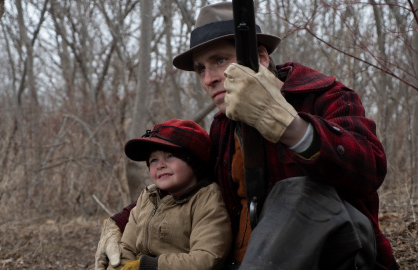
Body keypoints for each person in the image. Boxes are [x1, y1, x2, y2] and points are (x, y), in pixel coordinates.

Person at [96, 2, 398, 270]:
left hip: (336, 258)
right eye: (201, 69)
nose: (208, 78)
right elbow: (185, 180)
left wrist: (291, 127)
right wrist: (116, 224)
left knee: (297, 194)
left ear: (261, 57)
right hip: (243, 261)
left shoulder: (325, 96)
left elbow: (370, 169)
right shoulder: (222, 126)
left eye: (219, 61)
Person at [101, 119, 232, 270]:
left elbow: (207, 258)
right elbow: (126, 248)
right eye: (153, 160)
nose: (160, 165)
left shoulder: (207, 199)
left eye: (170, 156)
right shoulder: (147, 197)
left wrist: (149, 266)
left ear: (194, 161)